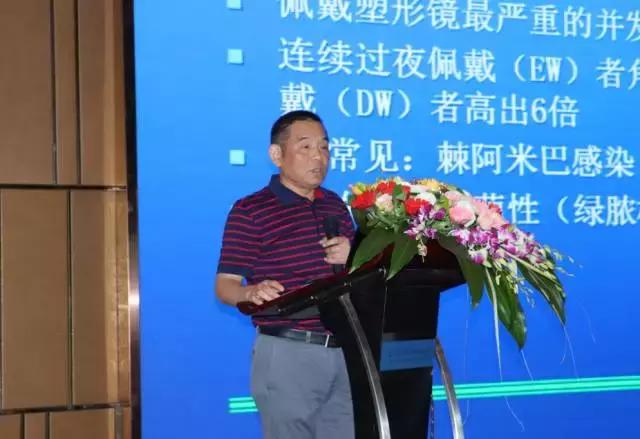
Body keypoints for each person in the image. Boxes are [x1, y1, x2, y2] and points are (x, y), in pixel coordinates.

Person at [215, 111, 356, 439]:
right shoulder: (251, 210)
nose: (318, 157)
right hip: (289, 351)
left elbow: (355, 277)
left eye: (324, 147)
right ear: (276, 155)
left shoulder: (335, 205)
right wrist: (250, 293)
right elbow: (225, 285)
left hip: (345, 348)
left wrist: (353, 255)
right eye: (305, 147)